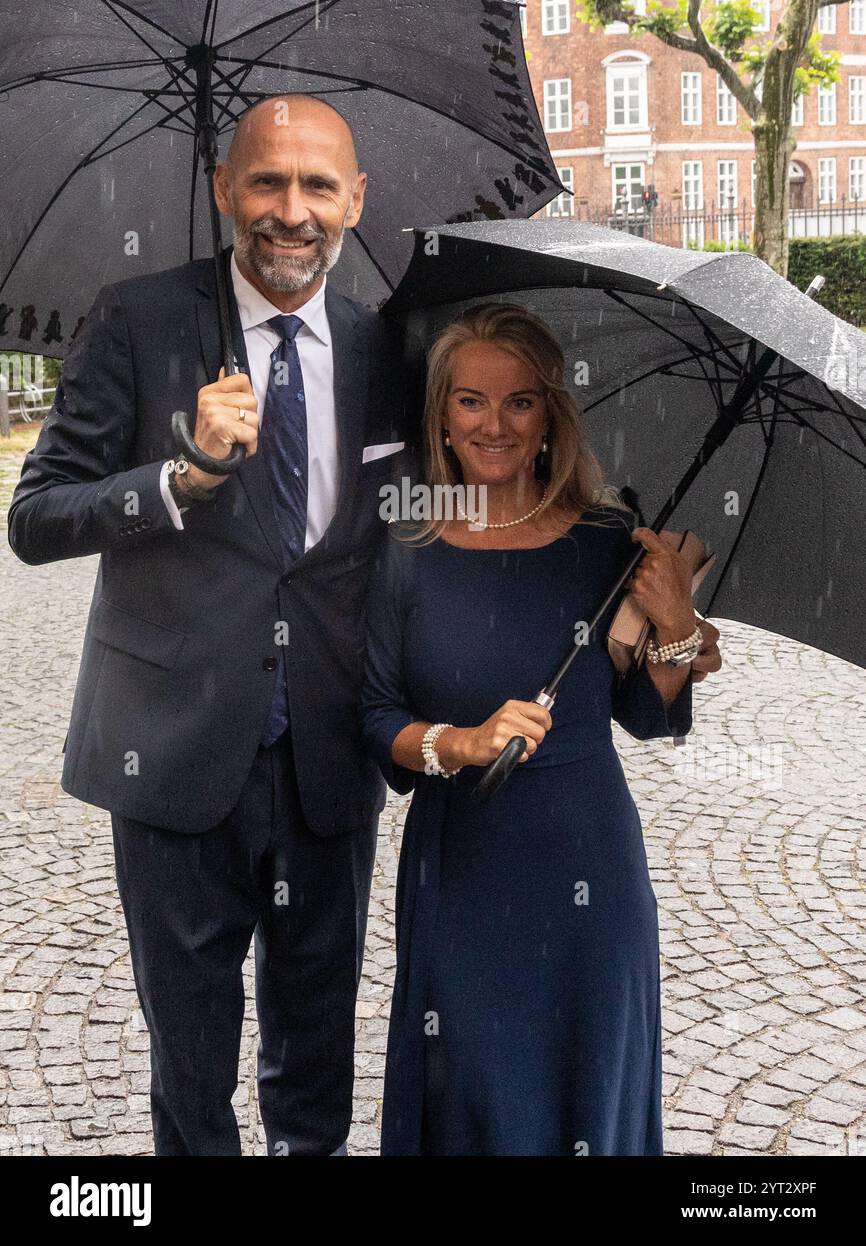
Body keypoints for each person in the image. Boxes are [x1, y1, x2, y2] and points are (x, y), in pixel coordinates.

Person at [7, 93, 423, 1156]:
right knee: (188, 1065)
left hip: (328, 759)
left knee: (315, 1044)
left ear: (354, 199)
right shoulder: (138, 319)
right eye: (267, 182)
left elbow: (407, 534)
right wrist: (179, 476)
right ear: (224, 189)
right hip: (173, 751)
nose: (292, 211)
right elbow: (36, 516)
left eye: (318, 185)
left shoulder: (387, 348)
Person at [360, 302, 723, 1156]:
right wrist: (461, 743)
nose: (495, 424)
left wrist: (677, 616)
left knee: (583, 1088)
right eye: (471, 402)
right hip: (464, 865)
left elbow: (649, 711)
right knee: (470, 1087)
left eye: (520, 402)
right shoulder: (405, 546)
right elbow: (376, 715)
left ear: (550, 415)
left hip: (590, 865)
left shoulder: (608, 540)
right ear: (441, 416)